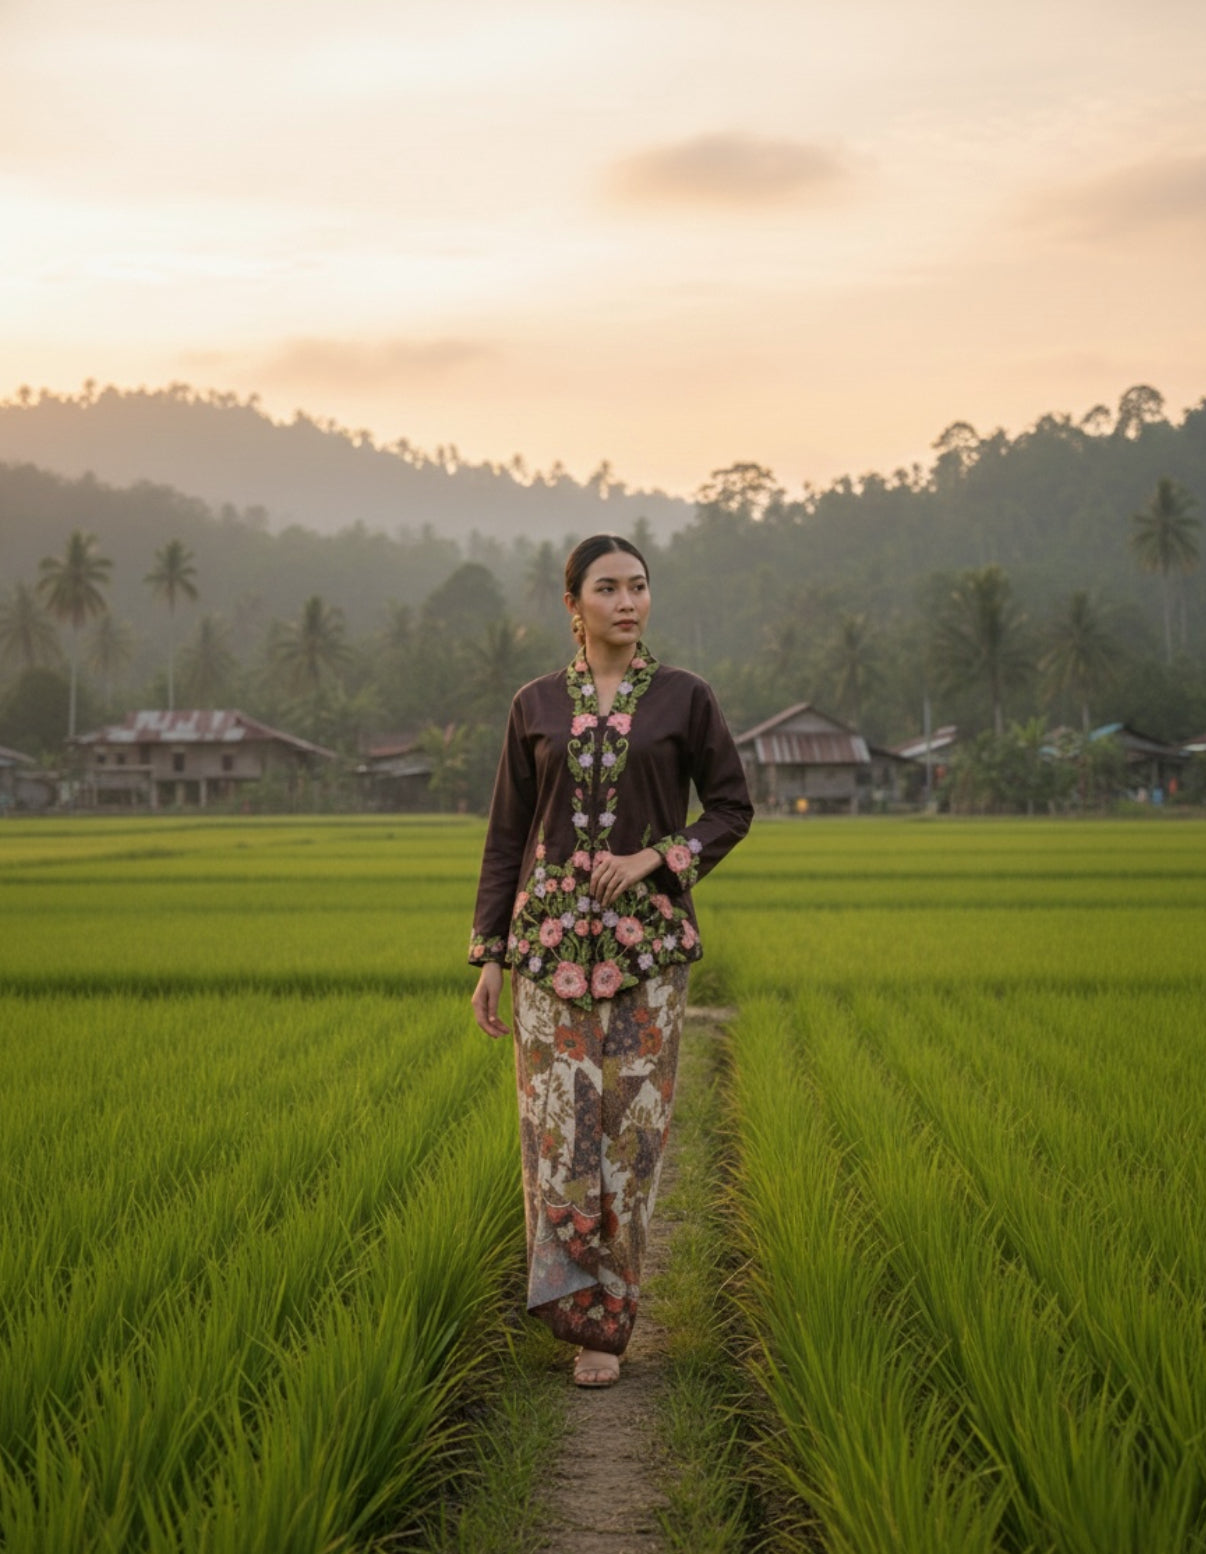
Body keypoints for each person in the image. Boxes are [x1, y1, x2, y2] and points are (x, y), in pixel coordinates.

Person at [469, 533, 752, 1387]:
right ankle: (570, 1300)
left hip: (648, 957)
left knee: (628, 1141)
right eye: (608, 589)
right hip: (546, 952)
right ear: (573, 606)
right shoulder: (533, 707)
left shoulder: (685, 700)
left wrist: (655, 857)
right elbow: (508, 835)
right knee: (559, 1136)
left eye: (639, 587)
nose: (627, 602)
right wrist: (490, 954)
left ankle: (606, 1329)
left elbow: (733, 808)